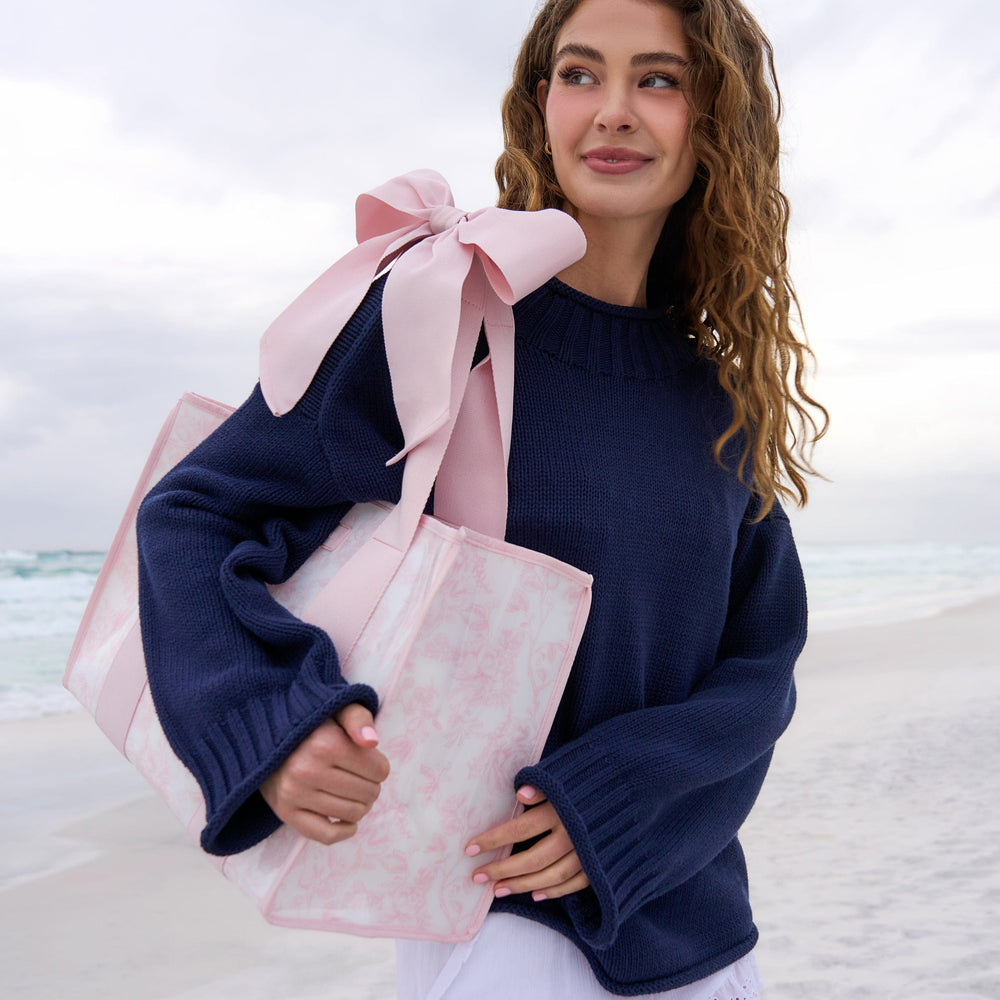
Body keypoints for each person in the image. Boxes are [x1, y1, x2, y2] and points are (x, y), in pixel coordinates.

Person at [136, 0, 827, 996]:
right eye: (580, 74)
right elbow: (199, 512)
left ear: (716, 117)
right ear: (540, 104)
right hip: (497, 932)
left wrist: (623, 802)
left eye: (659, 80)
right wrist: (270, 726)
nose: (614, 111)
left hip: (705, 935)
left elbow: (760, 666)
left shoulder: (720, 395)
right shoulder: (444, 314)